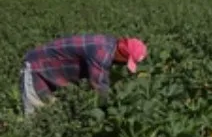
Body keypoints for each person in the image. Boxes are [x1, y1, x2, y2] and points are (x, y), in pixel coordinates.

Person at [20, 34, 148, 116]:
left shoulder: (110, 43)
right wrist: (109, 113)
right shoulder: (102, 54)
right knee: (35, 116)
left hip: (53, 71)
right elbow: (100, 87)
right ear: (121, 53)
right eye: (125, 62)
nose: (123, 65)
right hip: (37, 67)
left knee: (52, 113)